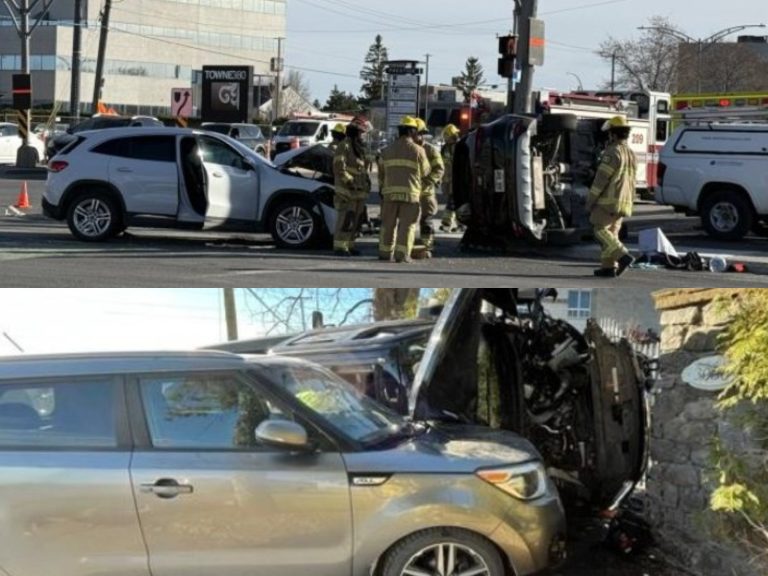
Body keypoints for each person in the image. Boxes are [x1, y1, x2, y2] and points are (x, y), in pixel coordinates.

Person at [586, 115, 637, 278]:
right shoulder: (631, 153)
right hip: (624, 202)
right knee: (612, 234)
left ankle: (623, 256)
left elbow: (601, 180)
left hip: (608, 201)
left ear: (613, 134)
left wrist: (590, 201)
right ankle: (608, 267)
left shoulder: (612, 152)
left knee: (599, 229)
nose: (608, 136)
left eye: (609, 133)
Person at [378, 116, 431, 263]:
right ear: (412, 132)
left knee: (388, 224)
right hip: (410, 195)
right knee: (407, 226)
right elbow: (426, 171)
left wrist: (383, 189)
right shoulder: (418, 150)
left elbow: (381, 174)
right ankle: (402, 255)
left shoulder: (386, 150)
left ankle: (385, 253)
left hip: (389, 195)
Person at [332, 115, 371, 256]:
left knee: (356, 220)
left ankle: (350, 244)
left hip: (359, 191)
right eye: (361, 133)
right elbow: (339, 167)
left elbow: (363, 169)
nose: (363, 136)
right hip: (347, 191)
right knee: (346, 219)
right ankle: (340, 247)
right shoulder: (344, 146)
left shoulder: (359, 148)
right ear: (355, 133)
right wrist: (349, 181)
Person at [413, 118, 445, 257]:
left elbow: (439, 169)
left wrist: (427, 182)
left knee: (426, 219)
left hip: (425, 192)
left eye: (417, 134)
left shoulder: (430, 150)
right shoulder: (406, 148)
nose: (414, 137)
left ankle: (427, 245)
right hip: (410, 191)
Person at [439, 124, 461, 232]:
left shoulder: (460, 147)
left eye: (446, 136)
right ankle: (461, 224)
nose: (445, 138)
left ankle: (446, 223)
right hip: (448, 180)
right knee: (456, 202)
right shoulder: (445, 148)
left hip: (458, 180)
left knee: (452, 201)